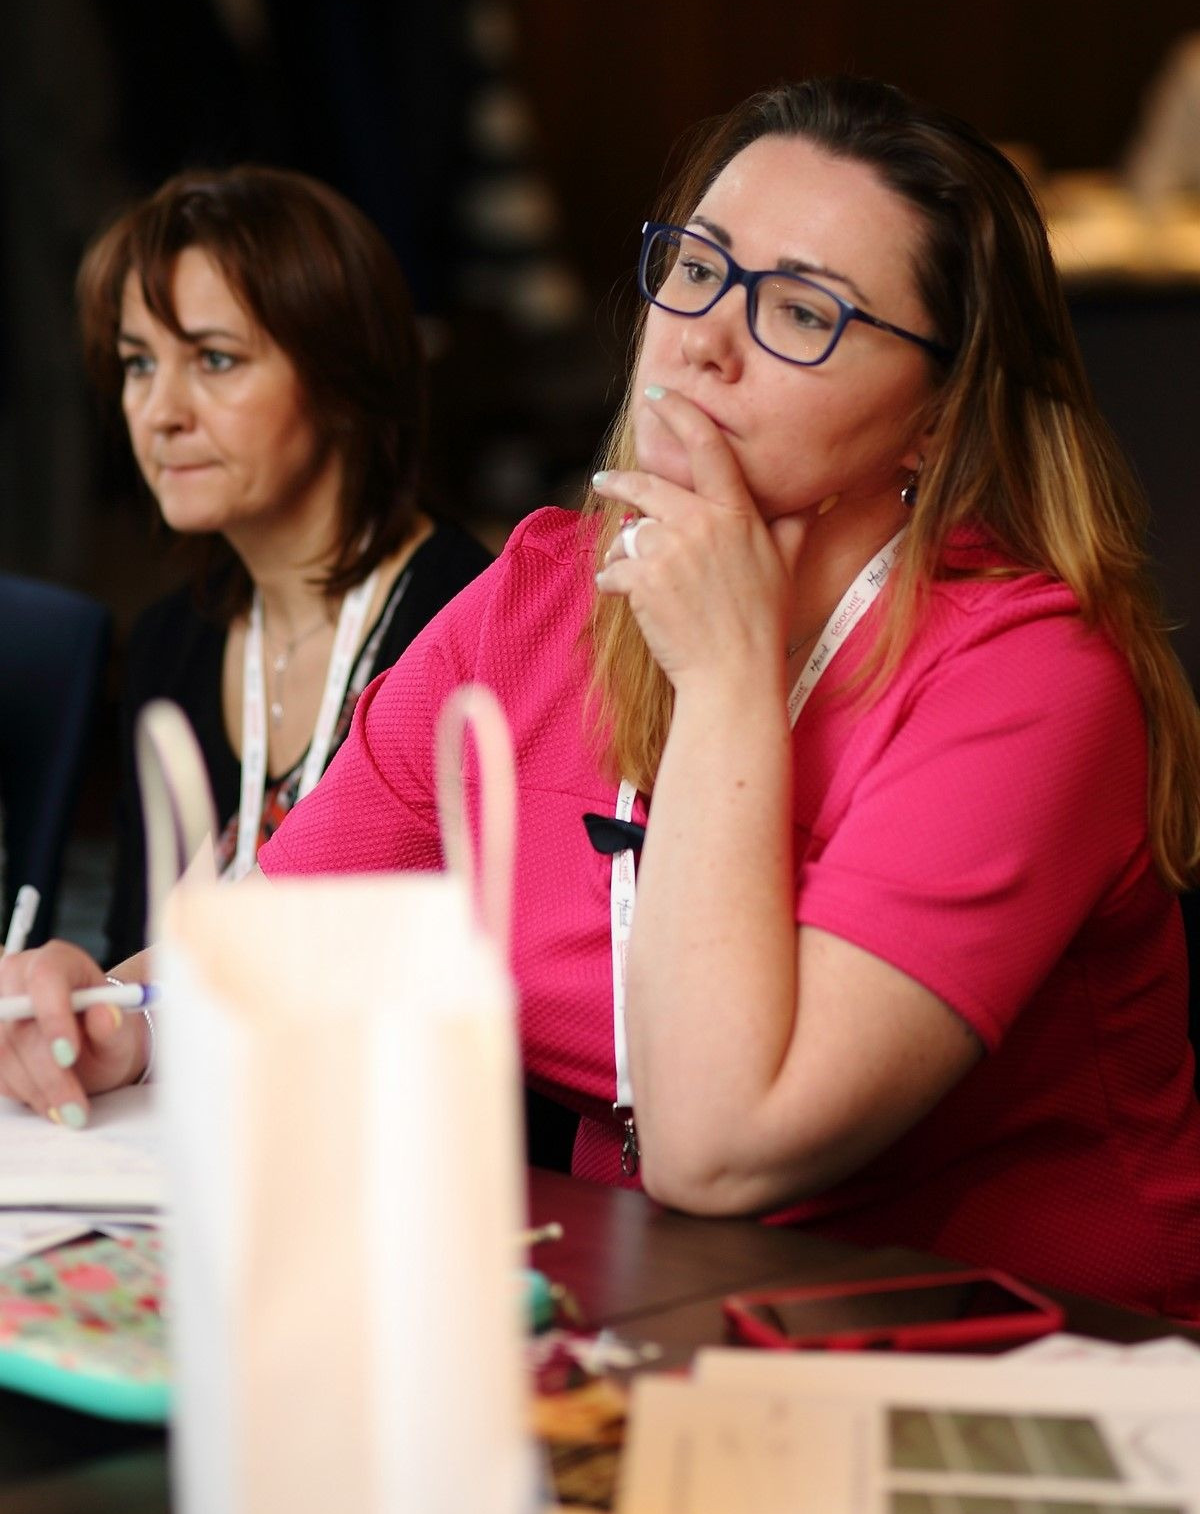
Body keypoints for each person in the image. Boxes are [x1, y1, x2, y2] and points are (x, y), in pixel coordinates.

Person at [5, 80, 1200, 1318]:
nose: (704, 342)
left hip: (1025, 1356)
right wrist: (118, 1017)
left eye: (801, 311)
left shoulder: (1033, 681)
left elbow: (723, 1147)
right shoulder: (537, 597)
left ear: (938, 419)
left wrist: (725, 681)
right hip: (645, 1322)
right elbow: (268, 943)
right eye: (697, 270)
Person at [0, 164, 490, 1076]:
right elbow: (132, 959)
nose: (159, 413)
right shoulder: (168, 642)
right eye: (139, 363)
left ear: (342, 380)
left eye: (215, 360)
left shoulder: (468, 620)